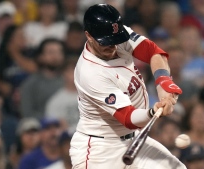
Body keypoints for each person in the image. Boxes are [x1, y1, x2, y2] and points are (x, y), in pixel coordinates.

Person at [70, 4, 185, 169]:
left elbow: (153, 52)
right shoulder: (90, 72)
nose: (112, 45)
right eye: (106, 42)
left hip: (134, 139)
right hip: (100, 149)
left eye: (115, 39)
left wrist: (163, 83)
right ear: (89, 36)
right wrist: (153, 112)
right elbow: (128, 118)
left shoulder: (116, 33)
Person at [20, 38, 65, 119]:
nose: (55, 56)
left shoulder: (71, 80)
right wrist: (51, 120)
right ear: (41, 57)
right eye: (51, 52)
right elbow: (27, 113)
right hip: (41, 127)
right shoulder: (30, 84)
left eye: (59, 52)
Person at [45, 57, 79, 133]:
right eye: (72, 70)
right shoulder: (55, 101)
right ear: (64, 74)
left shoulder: (91, 97)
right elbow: (53, 129)